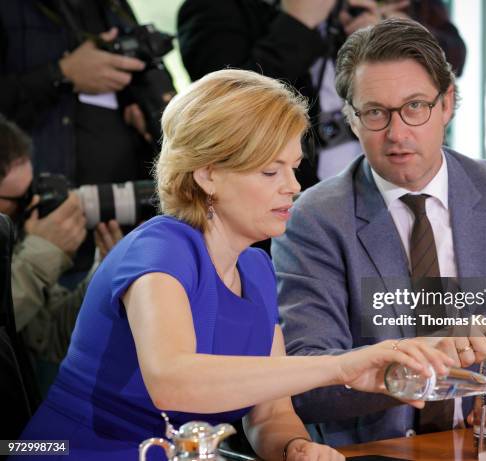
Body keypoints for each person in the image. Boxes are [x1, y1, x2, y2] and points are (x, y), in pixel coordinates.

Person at [15, 69, 455, 460]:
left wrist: (294, 448)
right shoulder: (160, 249)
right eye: (270, 172)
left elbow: (270, 413)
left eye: (294, 168)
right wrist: (341, 365)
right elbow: (173, 380)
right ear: (207, 173)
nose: (293, 187)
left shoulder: (257, 270)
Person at [271, 18, 486, 446]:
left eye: (415, 106)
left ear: (447, 103)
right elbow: (305, 379)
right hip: (379, 450)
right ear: (351, 118)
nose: (397, 133)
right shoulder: (313, 218)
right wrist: (412, 368)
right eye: (376, 113)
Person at [177, 0, 465, 188]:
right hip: (286, 194)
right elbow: (226, 106)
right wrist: (297, 25)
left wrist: (390, 34)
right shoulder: (212, 10)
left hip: (391, 178)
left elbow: (453, 56)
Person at [0, 0, 173, 271]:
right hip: (39, 234)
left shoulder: (113, 6)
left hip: (127, 223)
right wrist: (62, 74)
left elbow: (150, 70)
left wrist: (151, 106)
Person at [0, 116, 122, 375]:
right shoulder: (32, 252)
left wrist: (104, 276)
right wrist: (42, 254)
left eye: (32, 190)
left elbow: (52, 338)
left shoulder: (20, 239)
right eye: (19, 200)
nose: (31, 204)